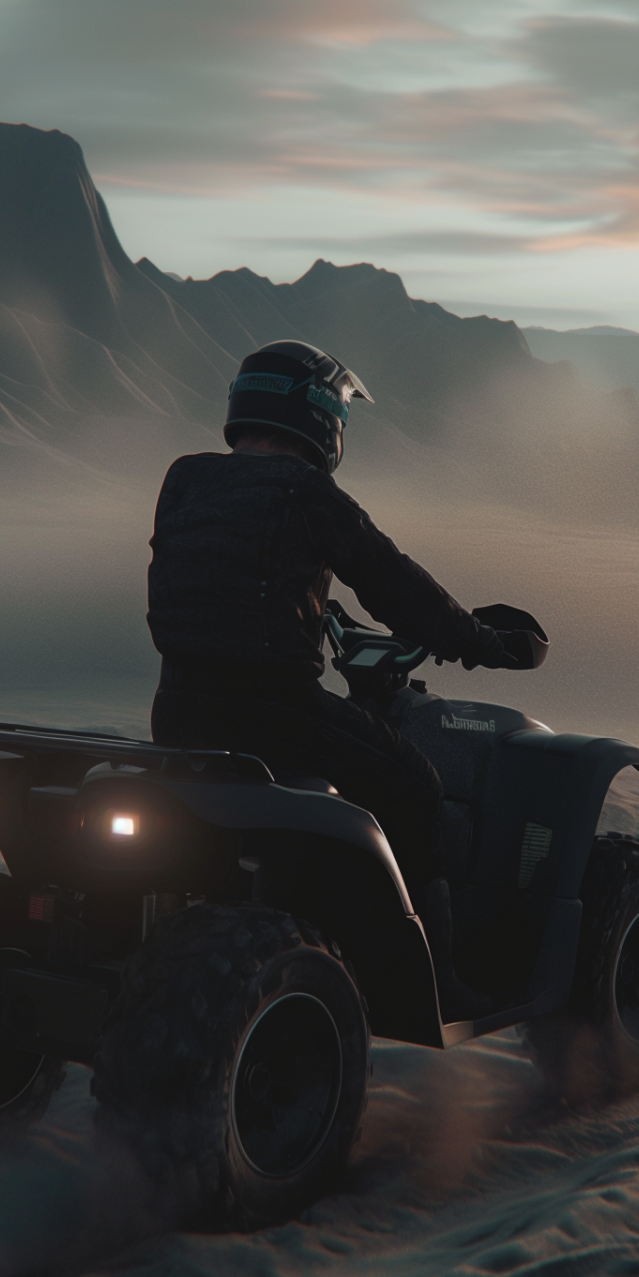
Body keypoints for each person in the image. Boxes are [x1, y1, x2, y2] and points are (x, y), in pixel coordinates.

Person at [145, 339, 543, 1020]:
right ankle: (437, 984)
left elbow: (226, 577)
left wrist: (318, 611)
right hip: (274, 714)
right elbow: (399, 589)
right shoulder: (307, 491)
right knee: (416, 786)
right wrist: (485, 643)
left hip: (177, 710)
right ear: (323, 413)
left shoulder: (185, 478)